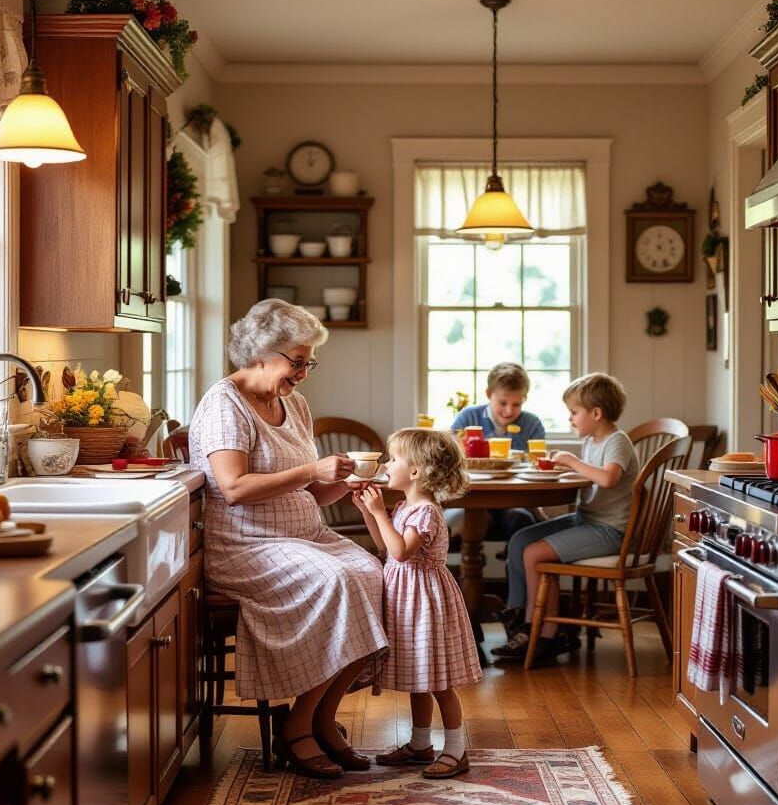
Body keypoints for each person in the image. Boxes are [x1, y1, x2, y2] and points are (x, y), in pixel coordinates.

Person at [189, 299, 388, 779]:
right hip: (247, 545)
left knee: (376, 576)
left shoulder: (293, 404)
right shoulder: (224, 404)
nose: (303, 373)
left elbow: (316, 493)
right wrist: (310, 470)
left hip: (305, 533)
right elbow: (233, 488)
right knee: (339, 579)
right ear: (261, 354)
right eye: (297, 361)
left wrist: (352, 481)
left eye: (307, 362)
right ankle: (298, 727)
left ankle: (319, 717)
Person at [352, 428, 482, 779]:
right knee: (419, 677)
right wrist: (370, 512)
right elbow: (385, 546)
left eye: (393, 459)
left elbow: (401, 552)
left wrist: (379, 513)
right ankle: (420, 743)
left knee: (438, 680)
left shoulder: (426, 512)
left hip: (425, 602)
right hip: (407, 600)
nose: (387, 463)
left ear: (416, 471)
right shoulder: (404, 506)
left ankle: (456, 750)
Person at [493, 373, 639, 665]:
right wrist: (571, 472)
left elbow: (609, 478)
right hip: (588, 520)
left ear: (596, 413)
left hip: (611, 530)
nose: (571, 419)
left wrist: (573, 462)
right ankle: (521, 617)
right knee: (521, 539)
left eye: (574, 413)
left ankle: (544, 632)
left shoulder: (616, 441)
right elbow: (594, 475)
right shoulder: (593, 440)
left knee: (534, 553)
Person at [448, 362, 545, 542]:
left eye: (516, 404)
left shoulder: (532, 424)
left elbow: (536, 465)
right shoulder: (468, 417)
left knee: (523, 520)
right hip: (471, 499)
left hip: (514, 499)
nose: (509, 411)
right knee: (467, 520)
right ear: (489, 394)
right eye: (503, 403)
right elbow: (449, 457)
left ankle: (515, 563)